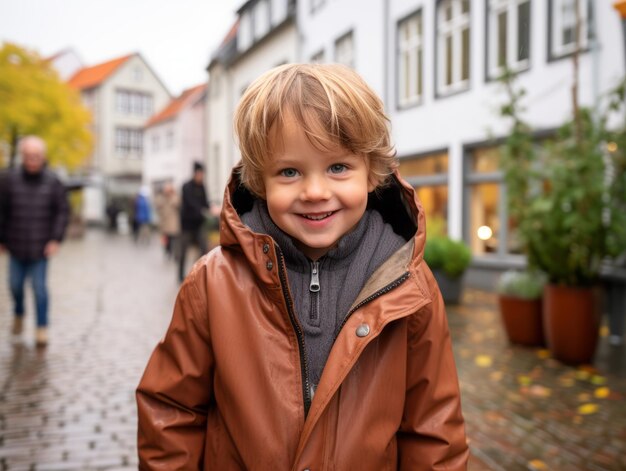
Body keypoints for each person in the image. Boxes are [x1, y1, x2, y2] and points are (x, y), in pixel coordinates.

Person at [136, 64, 468, 469]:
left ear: (371, 172)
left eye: (338, 167)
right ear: (261, 181)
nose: (314, 192)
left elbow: (434, 430)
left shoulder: (410, 285)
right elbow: (171, 410)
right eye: (289, 172)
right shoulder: (213, 282)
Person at [0, 135, 69, 347]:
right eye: (28, 156)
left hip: (41, 248)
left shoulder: (54, 182)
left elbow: (62, 212)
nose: (32, 161)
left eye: (36, 156)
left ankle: (41, 327)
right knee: (15, 286)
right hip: (15, 246)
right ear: (23, 156)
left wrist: (55, 239)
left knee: (40, 289)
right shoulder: (8, 180)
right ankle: (19, 313)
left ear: (43, 157)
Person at [177, 162, 210, 282]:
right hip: (186, 225)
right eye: (200, 174)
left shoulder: (202, 187)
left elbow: (205, 203)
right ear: (195, 173)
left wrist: (211, 208)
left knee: (203, 248)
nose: (201, 177)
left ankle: (200, 275)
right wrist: (202, 210)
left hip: (198, 224)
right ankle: (180, 276)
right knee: (183, 251)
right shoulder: (186, 186)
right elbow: (190, 203)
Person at [154, 181, 180, 259]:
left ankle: (174, 252)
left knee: (174, 239)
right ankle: (167, 251)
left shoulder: (175, 197)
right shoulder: (161, 197)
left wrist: (171, 196)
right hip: (164, 222)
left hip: (173, 222)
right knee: (166, 239)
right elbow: (158, 205)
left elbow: (176, 203)